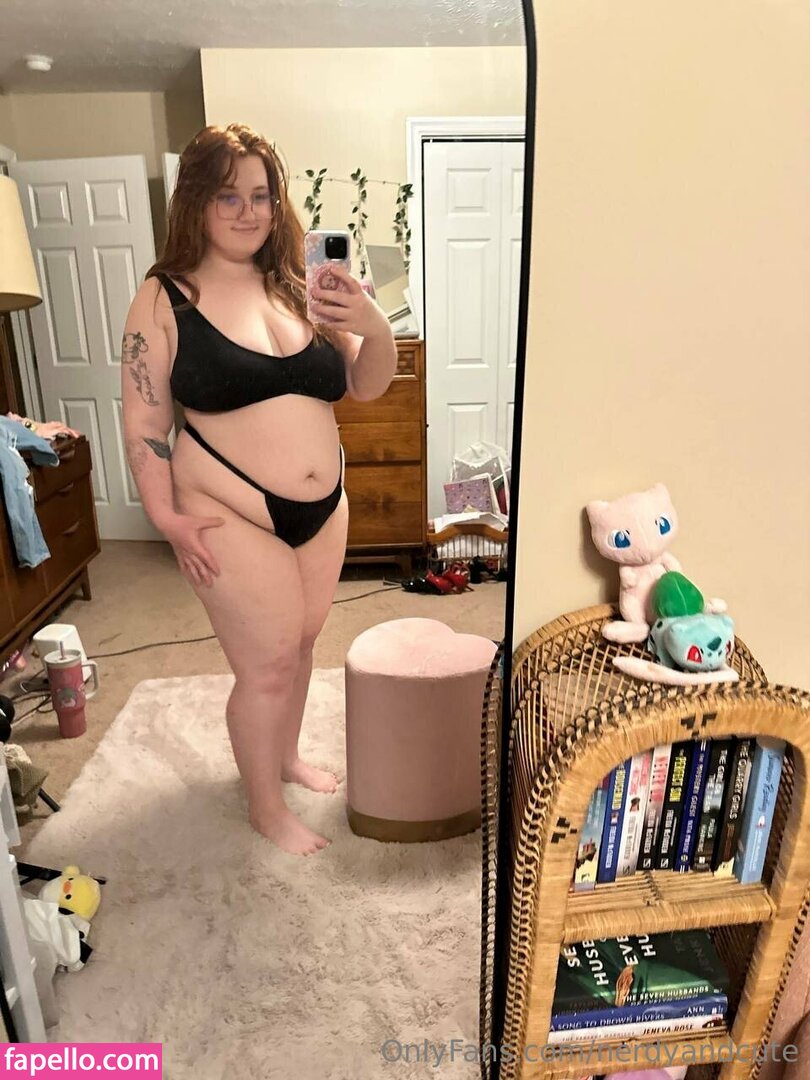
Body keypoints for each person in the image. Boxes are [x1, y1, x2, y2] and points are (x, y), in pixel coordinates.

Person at [120, 124, 397, 855]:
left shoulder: (300, 286)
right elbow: (144, 419)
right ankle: (265, 808)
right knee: (266, 662)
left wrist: (374, 327)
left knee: (301, 645)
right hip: (227, 509)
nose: (249, 212)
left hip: (324, 507)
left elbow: (366, 387)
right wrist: (164, 516)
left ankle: (285, 758)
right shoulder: (165, 296)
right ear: (196, 202)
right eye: (228, 196)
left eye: (261, 195)